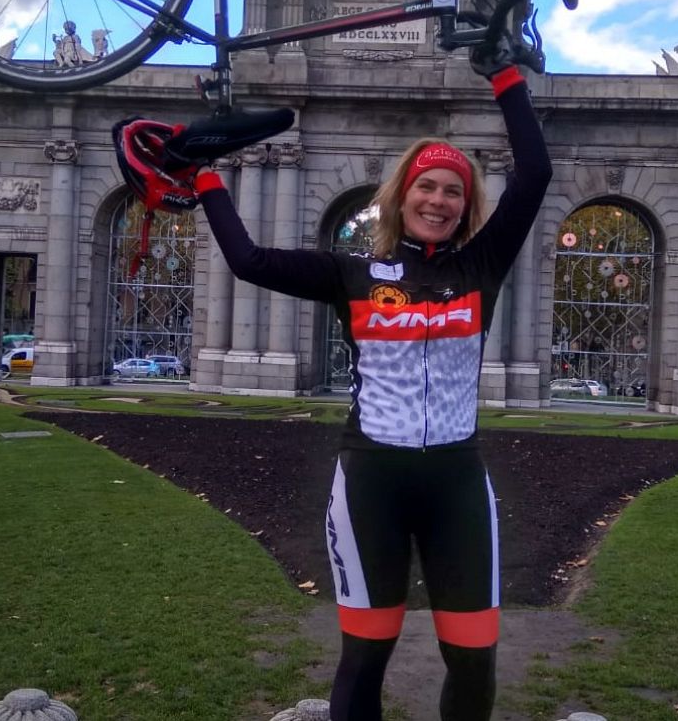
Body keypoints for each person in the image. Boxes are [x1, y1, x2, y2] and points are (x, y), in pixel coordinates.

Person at [192, 51, 550, 721]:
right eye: (428, 186)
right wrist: (205, 177)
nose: (439, 200)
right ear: (402, 194)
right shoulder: (352, 274)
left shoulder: (482, 264)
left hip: (457, 483)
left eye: (454, 191)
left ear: (466, 206)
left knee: (474, 659)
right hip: (370, 482)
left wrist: (503, 72)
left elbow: (535, 173)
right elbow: (249, 261)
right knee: (366, 655)